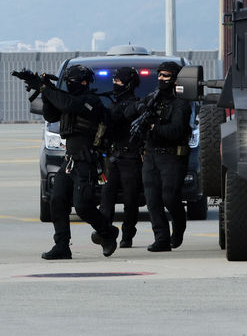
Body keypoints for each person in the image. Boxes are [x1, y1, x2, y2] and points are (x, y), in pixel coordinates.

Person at [38, 65, 119, 259]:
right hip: (70, 161)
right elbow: (51, 115)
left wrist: (47, 90)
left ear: (84, 83)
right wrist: (45, 91)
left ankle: (108, 233)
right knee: (57, 201)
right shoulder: (69, 100)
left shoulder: (91, 101)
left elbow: (68, 105)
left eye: (72, 82)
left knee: (82, 206)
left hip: (87, 161)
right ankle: (62, 245)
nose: (69, 85)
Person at [136, 61, 191, 252]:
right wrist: (141, 112)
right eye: (159, 75)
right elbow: (133, 112)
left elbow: (176, 130)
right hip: (151, 155)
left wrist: (153, 126)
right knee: (152, 200)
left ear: (175, 79)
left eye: (166, 76)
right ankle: (161, 239)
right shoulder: (152, 99)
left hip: (172, 157)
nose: (161, 79)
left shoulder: (181, 104)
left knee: (169, 197)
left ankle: (179, 226)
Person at [93, 67, 143, 248]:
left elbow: (121, 119)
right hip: (113, 157)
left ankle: (127, 234)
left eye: (119, 82)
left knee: (131, 200)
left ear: (129, 84)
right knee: (107, 196)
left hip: (131, 157)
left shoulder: (135, 105)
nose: (115, 85)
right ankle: (105, 231)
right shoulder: (112, 104)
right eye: (114, 81)